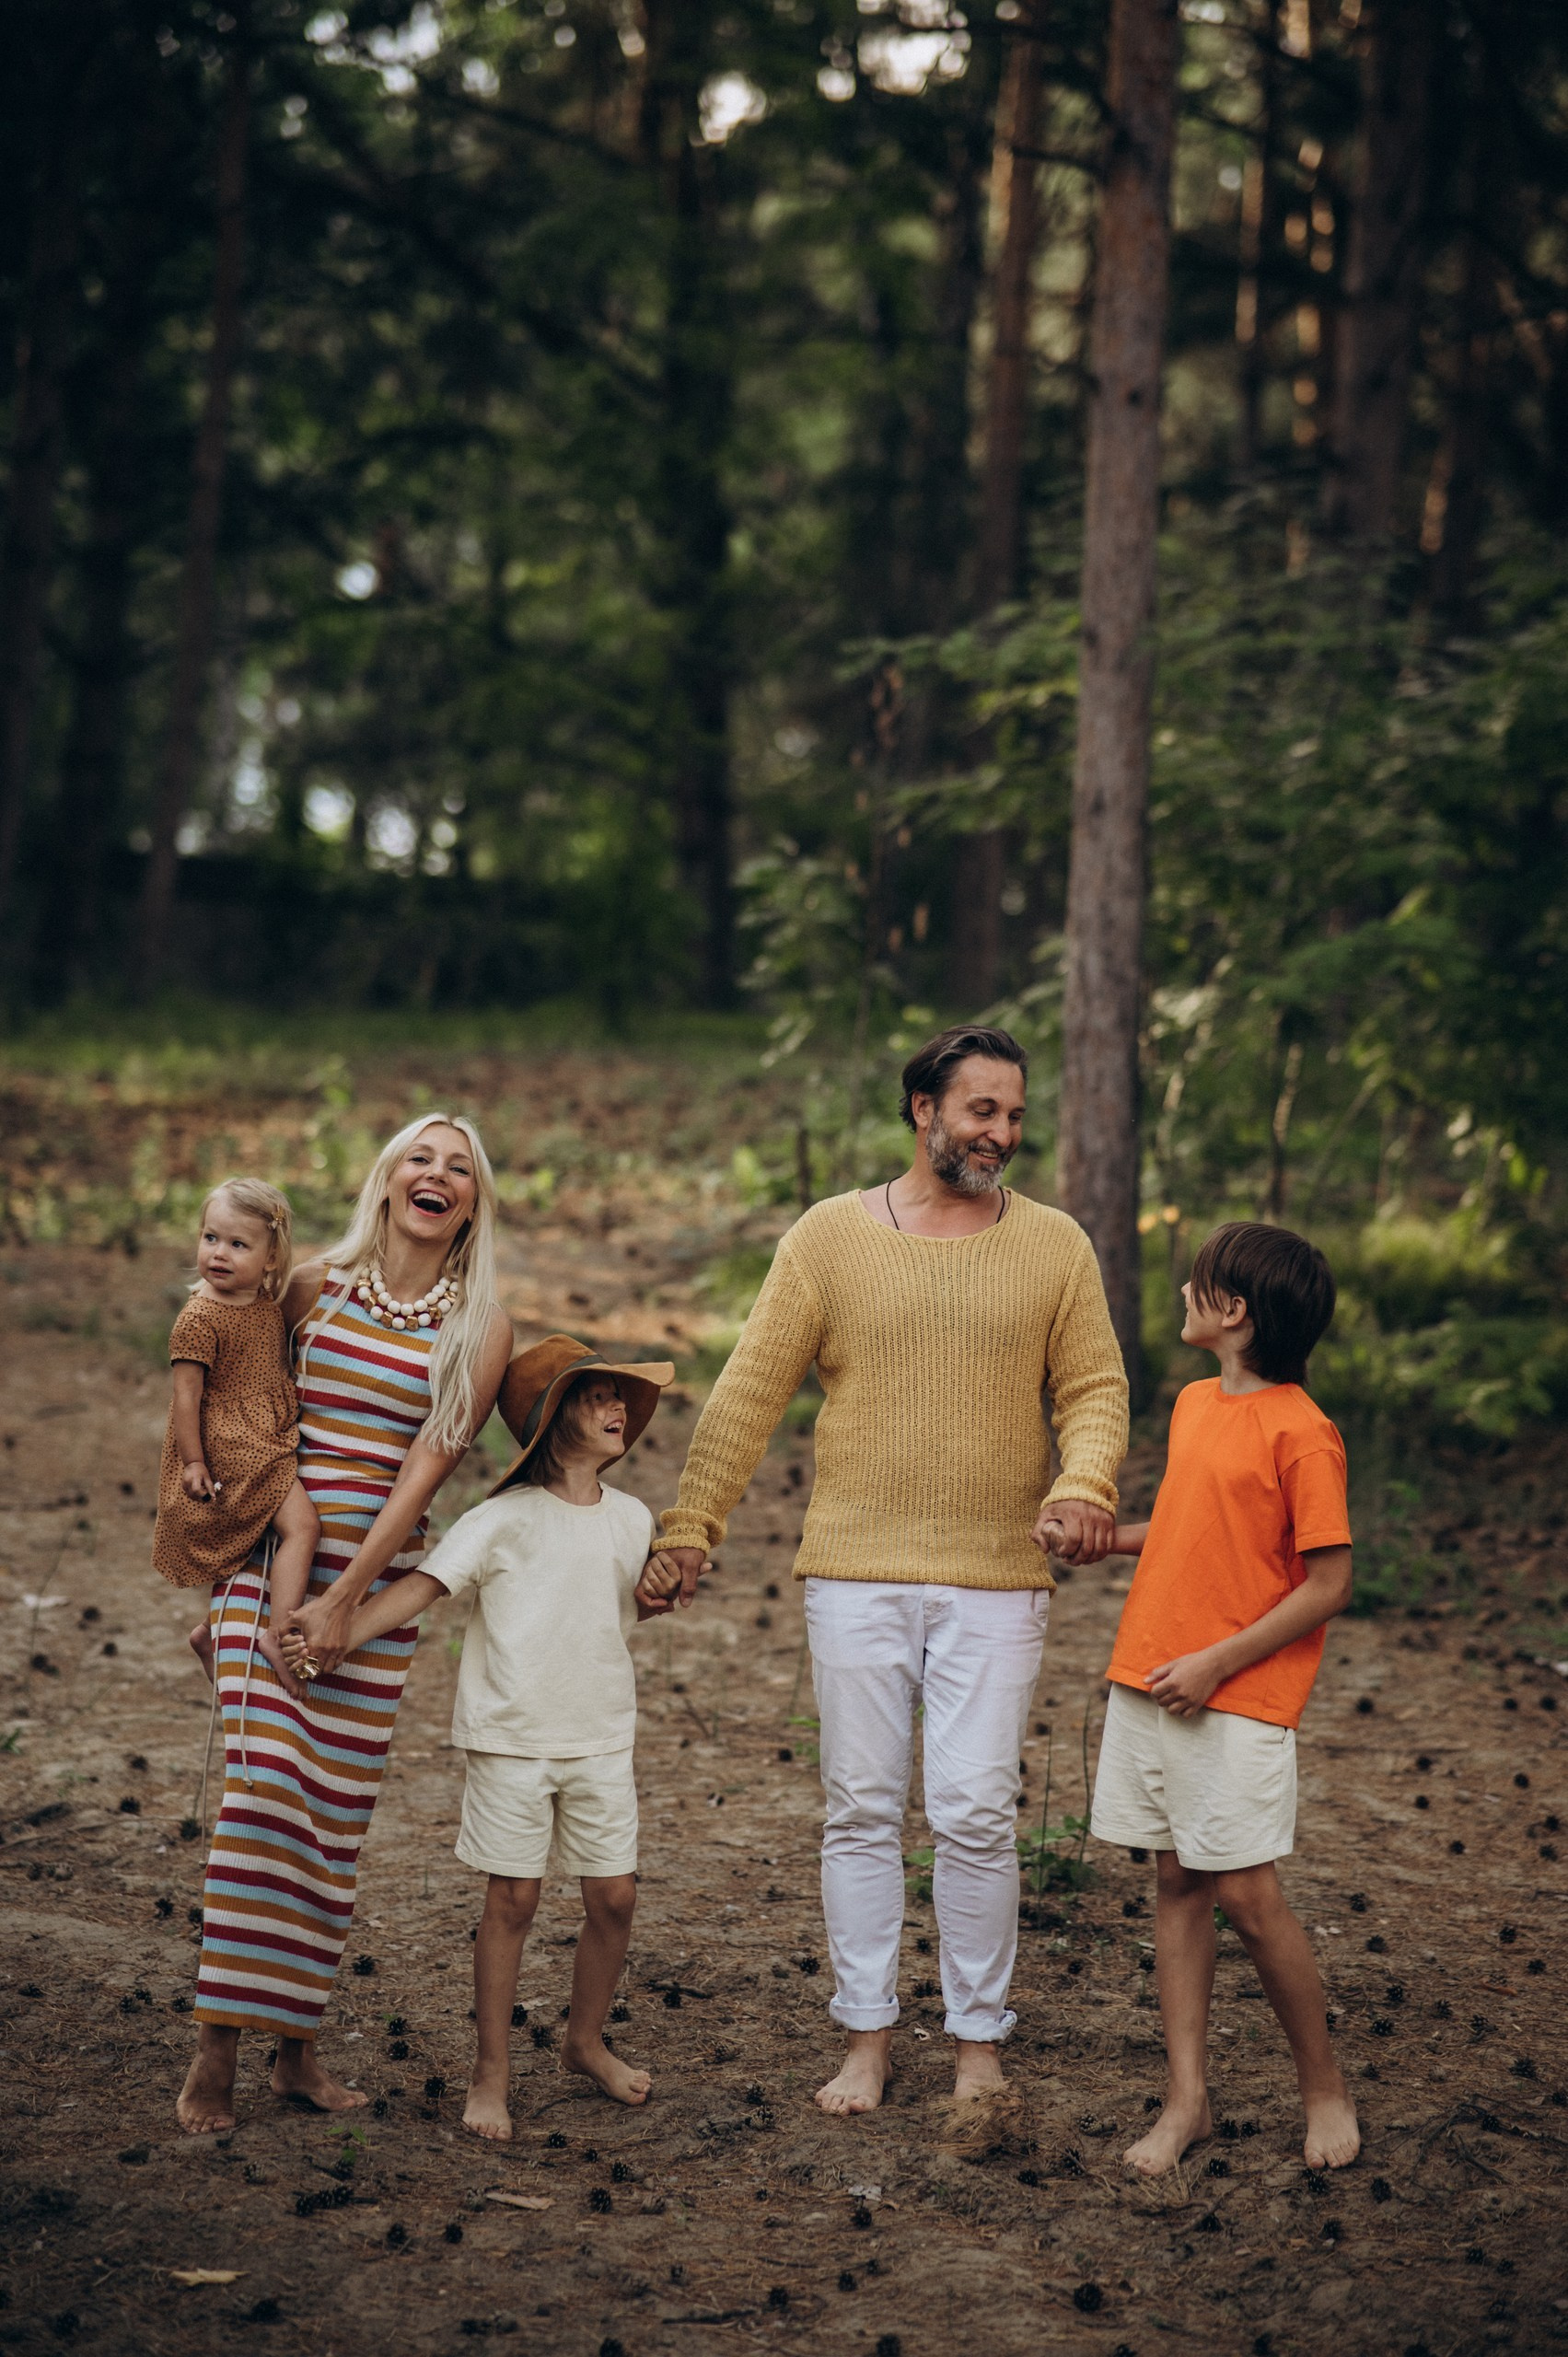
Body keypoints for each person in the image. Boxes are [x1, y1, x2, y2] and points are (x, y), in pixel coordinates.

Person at [658, 1025, 1129, 2119]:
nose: (1000, 1134)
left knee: (973, 1810)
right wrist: (692, 1524)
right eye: (980, 1111)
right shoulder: (827, 1238)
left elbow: (1094, 1389)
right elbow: (747, 1392)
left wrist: (1084, 1484)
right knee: (861, 1808)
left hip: (997, 1572)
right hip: (856, 1571)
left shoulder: (1054, 1245)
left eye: (1012, 1114)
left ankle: (976, 2045)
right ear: (922, 1109)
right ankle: (864, 2037)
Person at [176, 1114, 515, 2136]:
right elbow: (237, 1397)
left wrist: (347, 1604)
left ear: (471, 1201)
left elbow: (428, 1470)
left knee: (327, 1828)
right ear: (386, 1178)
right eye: (421, 1156)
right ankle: (214, 2054)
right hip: (269, 1564)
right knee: (264, 1798)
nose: (436, 1174)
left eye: (457, 1168)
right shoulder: (310, 1286)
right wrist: (234, 1555)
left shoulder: (479, 1325)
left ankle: (298, 2054)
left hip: (368, 1599)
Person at [286, 1337, 682, 2138]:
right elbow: (420, 1592)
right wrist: (336, 1633)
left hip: (601, 1734)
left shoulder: (635, 1517)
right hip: (511, 1738)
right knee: (514, 1899)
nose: (617, 1411)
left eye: (620, 1399)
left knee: (614, 1896)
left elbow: (622, 1610)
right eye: (597, 1396)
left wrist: (664, 1586)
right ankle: (490, 2071)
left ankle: (582, 2042)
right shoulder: (498, 1520)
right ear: (550, 1417)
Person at [1087, 1220, 1359, 2175]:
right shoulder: (1197, 1404)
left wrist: (1214, 1662)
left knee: (1246, 1892)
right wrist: (1103, 1539)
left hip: (1233, 1692)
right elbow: (1188, 1523)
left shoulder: (1302, 1430)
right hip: (1152, 1673)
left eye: (1195, 1283)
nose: (1181, 1295)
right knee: (1174, 1880)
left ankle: (1322, 2089)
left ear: (1234, 1310)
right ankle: (1187, 2098)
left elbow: (1327, 1582)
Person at [153, 1179, 319, 1698]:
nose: (218, 1254)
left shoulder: (266, 1302)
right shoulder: (199, 1318)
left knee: (250, 1543)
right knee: (303, 1528)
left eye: (238, 1244)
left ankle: (213, 1638)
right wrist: (193, 1463)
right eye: (210, 1238)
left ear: (272, 1259)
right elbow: (185, 1398)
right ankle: (278, 1635)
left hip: (261, 1430)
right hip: (231, 1447)